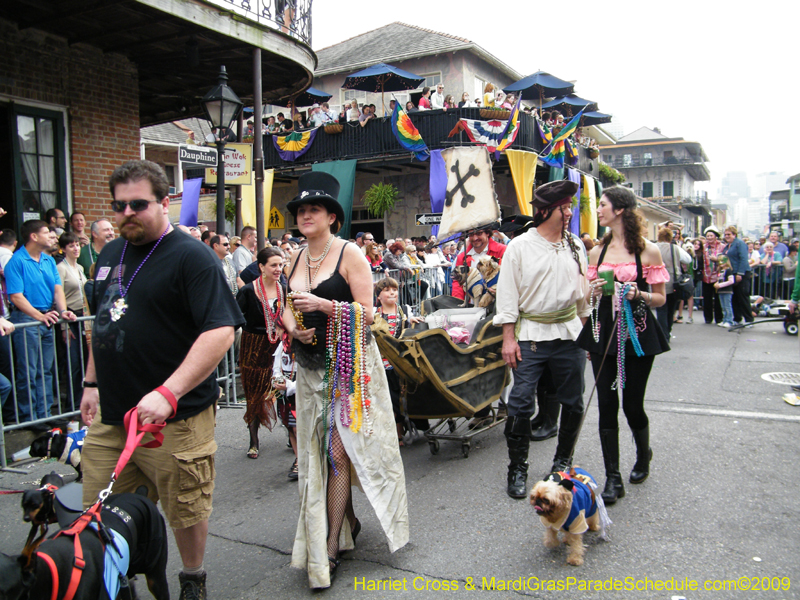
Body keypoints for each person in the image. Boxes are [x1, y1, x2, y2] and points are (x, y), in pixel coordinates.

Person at [80, 160, 244, 599]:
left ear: (164, 202)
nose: (127, 213)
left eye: (138, 203)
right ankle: (120, 581)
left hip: (176, 418)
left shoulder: (193, 256)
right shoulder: (110, 253)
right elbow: (102, 321)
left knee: (185, 507)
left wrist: (169, 392)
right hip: (113, 414)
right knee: (100, 509)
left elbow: (221, 330)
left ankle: (193, 577)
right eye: (119, 206)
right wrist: (91, 383)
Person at [283, 172, 408, 589]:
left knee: (337, 453)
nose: (305, 215)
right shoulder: (296, 258)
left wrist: (323, 304)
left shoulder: (349, 252)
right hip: (308, 368)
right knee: (315, 455)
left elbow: (370, 313)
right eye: (300, 210)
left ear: (332, 217)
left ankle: (331, 545)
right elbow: (284, 304)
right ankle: (345, 519)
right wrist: (294, 328)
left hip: (348, 369)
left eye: (313, 209)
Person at [493, 180, 590, 499]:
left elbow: (583, 297)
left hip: (569, 334)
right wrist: (509, 338)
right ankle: (517, 468)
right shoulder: (520, 247)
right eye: (564, 208)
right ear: (546, 211)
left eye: (569, 207)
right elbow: (506, 296)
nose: (569, 213)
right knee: (520, 403)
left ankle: (563, 463)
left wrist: (586, 334)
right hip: (530, 336)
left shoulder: (576, 245)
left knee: (573, 400)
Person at [577, 186, 669, 505]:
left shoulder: (648, 251)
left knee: (632, 405)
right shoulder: (595, 253)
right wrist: (594, 290)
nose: (597, 210)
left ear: (618, 210)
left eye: (602, 205)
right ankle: (612, 477)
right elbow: (587, 298)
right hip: (603, 334)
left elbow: (659, 298)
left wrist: (636, 293)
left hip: (638, 335)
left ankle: (643, 455)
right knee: (606, 405)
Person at [6, 221, 78, 423]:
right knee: (29, 370)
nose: (52, 236)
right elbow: (16, 296)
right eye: (47, 232)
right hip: (28, 319)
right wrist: (40, 317)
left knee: (46, 370)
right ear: (34, 237)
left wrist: (62, 311)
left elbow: (57, 289)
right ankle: (30, 417)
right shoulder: (16, 261)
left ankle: (45, 413)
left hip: (47, 318)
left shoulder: (48, 261)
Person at [236, 247, 285, 459]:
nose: (278, 269)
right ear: (261, 267)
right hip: (254, 347)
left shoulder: (285, 288)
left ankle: (292, 434)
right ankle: (253, 439)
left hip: (279, 345)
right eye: (273, 265)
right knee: (255, 393)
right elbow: (236, 318)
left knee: (283, 389)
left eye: (281, 265)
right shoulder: (247, 290)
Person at [371, 277, 423, 445]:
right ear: (378, 296)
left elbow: (407, 328)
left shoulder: (403, 310)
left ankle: (400, 432)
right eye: (386, 290)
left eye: (394, 289)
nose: (392, 292)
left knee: (401, 399)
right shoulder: (374, 313)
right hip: (382, 363)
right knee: (389, 401)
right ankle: (395, 434)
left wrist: (410, 319)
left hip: (400, 362)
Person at [56, 232, 88, 412]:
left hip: (83, 318)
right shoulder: (61, 268)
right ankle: (72, 404)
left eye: (77, 244)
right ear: (64, 249)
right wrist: (64, 325)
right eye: (71, 246)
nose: (76, 248)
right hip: (70, 318)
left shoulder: (81, 268)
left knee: (84, 361)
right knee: (73, 363)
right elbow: (58, 295)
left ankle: (82, 401)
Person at [451, 224, 506, 301]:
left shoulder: (502, 251)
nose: (475, 238)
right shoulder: (462, 257)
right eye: (471, 234)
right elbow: (458, 283)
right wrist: (457, 303)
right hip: (472, 306)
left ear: (487, 233)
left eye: (479, 233)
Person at [655, 227, 690, 338]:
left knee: (661, 309)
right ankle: (668, 332)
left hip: (657, 280)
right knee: (670, 309)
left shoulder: (654, 247)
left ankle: (663, 334)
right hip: (673, 280)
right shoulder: (674, 248)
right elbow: (688, 259)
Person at [272, 334, 299, 479]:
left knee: (297, 428)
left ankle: (303, 460)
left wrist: (289, 385)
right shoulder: (281, 347)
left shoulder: (302, 345)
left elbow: (309, 377)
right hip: (284, 393)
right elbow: (276, 367)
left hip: (298, 392)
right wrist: (277, 379)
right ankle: (298, 459)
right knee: (290, 426)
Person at [722, 225, 753, 324]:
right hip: (732, 273)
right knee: (734, 298)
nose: (727, 236)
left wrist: (740, 273)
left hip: (741, 273)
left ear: (734, 234)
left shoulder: (740, 244)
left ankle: (749, 319)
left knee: (743, 296)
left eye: (729, 234)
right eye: (725, 234)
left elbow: (743, 259)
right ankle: (737, 318)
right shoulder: (727, 246)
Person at [701, 226, 725, 324]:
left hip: (717, 275)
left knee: (718, 298)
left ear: (716, 237)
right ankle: (707, 318)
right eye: (707, 236)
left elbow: (726, 259)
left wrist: (717, 259)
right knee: (707, 298)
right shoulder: (704, 247)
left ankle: (719, 318)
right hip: (706, 276)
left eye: (711, 236)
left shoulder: (722, 246)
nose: (709, 238)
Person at [714, 255, 736, 327]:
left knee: (727, 306)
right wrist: (717, 283)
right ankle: (724, 319)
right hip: (721, 291)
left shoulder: (729, 270)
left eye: (723, 261)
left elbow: (731, 281)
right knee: (723, 307)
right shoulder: (721, 271)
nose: (721, 263)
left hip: (727, 291)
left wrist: (720, 285)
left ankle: (729, 321)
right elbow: (719, 280)